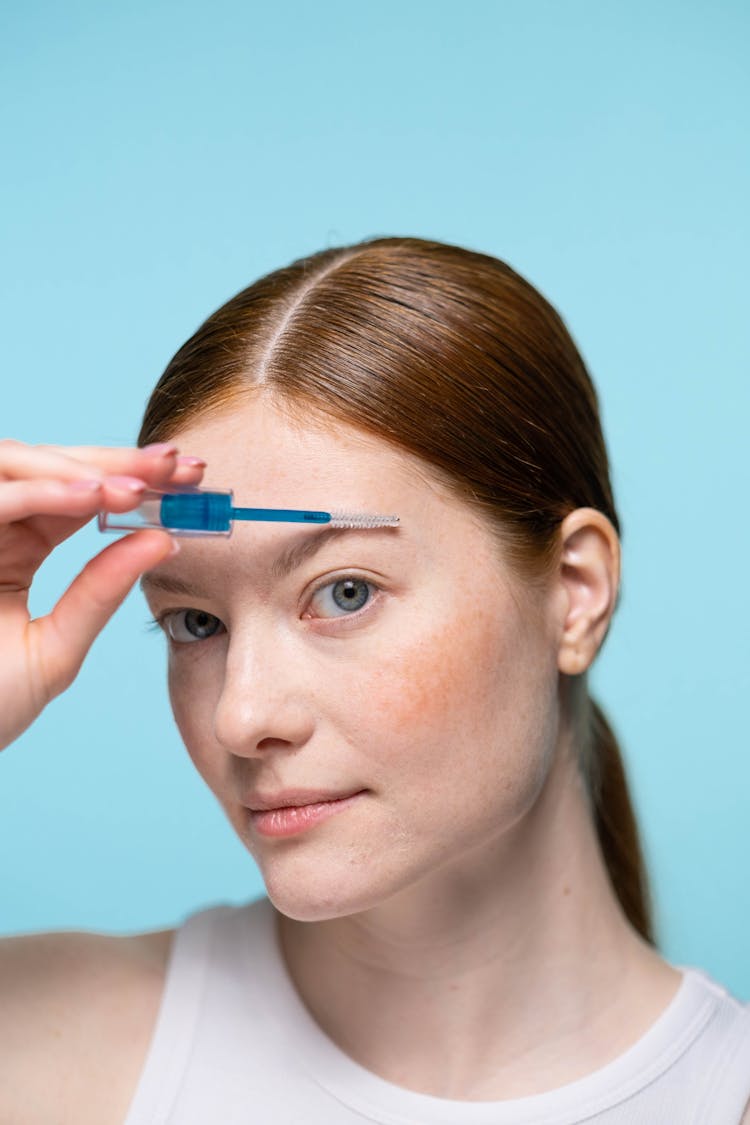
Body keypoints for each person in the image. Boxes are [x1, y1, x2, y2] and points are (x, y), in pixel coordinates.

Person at [1, 236, 748, 1124]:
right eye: (195, 622)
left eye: (344, 592)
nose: (242, 715)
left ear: (574, 592)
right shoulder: (41, 1052)